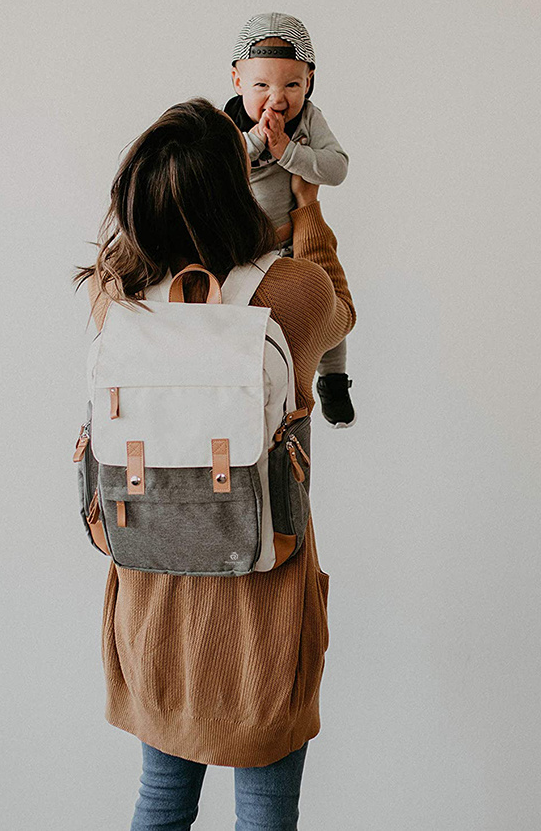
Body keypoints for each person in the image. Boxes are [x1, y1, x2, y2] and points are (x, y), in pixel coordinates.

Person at [73, 97, 355, 830]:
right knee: (265, 813)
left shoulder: (116, 294)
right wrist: (305, 204)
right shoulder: (291, 295)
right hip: (261, 596)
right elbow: (342, 311)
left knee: (161, 801)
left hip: (153, 593)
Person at [224, 11, 357, 429]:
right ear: (237, 82)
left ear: (310, 82)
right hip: (244, 250)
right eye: (261, 85)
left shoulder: (310, 121)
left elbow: (336, 169)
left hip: (298, 238)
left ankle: (332, 379)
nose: (277, 99)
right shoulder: (226, 124)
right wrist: (259, 141)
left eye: (292, 85)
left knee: (329, 307)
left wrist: (289, 153)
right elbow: (216, 168)